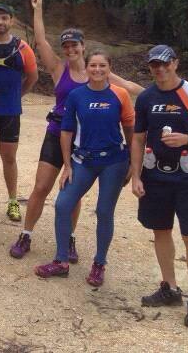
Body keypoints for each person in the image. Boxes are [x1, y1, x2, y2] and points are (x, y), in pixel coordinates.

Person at [11, 0, 144, 261]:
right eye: (66, 45)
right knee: (41, 187)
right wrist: (38, 10)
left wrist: (165, 96)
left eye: (75, 45)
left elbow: (130, 88)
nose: (70, 49)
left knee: (73, 193)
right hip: (57, 132)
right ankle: (26, 234)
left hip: (84, 141)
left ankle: (69, 239)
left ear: (83, 47)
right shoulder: (59, 69)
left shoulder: (98, 72)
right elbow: (40, 42)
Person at [131, 45, 188, 329]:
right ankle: (169, 287)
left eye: (164, 64)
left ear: (175, 64)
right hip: (154, 176)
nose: (159, 69)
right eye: (154, 65)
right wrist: (136, 176)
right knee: (160, 231)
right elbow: (138, 138)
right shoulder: (146, 97)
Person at [34, 50, 134, 287]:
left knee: (104, 211)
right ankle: (61, 261)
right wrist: (67, 165)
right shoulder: (77, 95)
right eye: (93, 66)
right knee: (62, 204)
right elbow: (66, 131)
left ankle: (99, 264)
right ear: (87, 68)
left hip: (113, 161)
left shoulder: (120, 94)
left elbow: (131, 130)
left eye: (102, 66)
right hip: (84, 160)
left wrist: (132, 162)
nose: (97, 70)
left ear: (110, 68)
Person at [0, 4, 38, 222]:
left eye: (4, 18)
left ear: (11, 21)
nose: (0, 22)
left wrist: (17, 95)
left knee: (9, 157)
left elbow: (32, 77)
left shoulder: (23, 48)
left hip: (10, 111)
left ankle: (12, 201)